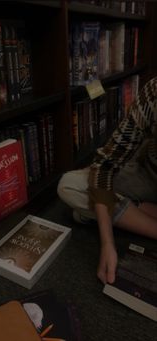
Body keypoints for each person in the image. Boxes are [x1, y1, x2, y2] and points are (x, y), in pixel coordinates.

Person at [57, 76, 157, 285]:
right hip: (148, 175)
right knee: (70, 185)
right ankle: (139, 210)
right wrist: (107, 243)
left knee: (83, 211)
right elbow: (105, 165)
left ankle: (128, 212)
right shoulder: (154, 92)